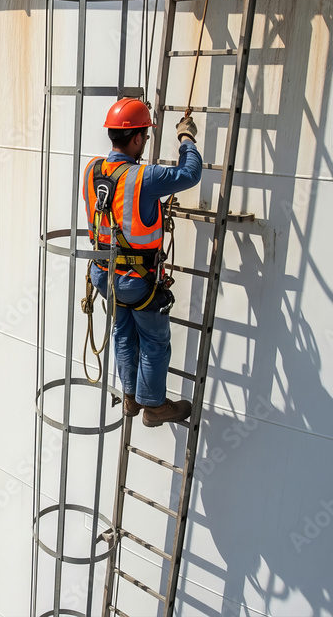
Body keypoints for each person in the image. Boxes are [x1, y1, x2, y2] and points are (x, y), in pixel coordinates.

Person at [82, 98, 201, 427]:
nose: (145, 143)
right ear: (136, 138)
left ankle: (131, 398)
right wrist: (186, 138)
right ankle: (154, 407)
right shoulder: (145, 178)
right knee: (154, 339)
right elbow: (190, 174)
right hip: (136, 280)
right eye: (145, 138)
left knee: (123, 331)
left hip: (104, 274)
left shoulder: (92, 170)